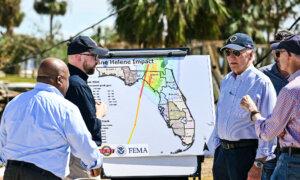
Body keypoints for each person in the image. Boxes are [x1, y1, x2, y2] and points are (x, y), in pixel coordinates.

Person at [0, 58, 103, 180]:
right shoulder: (65, 108)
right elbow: (81, 141)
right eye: (67, 79)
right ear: (59, 80)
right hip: (43, 175)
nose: (68, 84)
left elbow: (3, 140)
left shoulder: (15, 103)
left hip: (12, 172)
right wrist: (95, 163)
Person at [212, 33, 277, 180]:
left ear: (251, 54)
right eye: (227, 52)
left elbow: (269, 127)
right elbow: (220, 116)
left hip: (246, 155)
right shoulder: (227, 80)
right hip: (223, 154)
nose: (231, 57)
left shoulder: (262, 83)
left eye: (236, 52)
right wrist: (217, 149)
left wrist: (258, 164)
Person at [241, 35, 300, 180]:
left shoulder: (291, 89)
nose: (277, 57)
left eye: (279, 53)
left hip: (292, 164)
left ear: (290, 55)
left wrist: (253, 111)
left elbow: (268, 132)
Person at [65, 36, 108, 179]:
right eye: (94, 56)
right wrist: (99, 114)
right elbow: (90, 128)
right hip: (79, 159)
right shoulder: (78, 85)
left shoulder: (67, 80)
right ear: (79, 57)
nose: (98, 61)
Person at [259, 30, 293, 180]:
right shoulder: (262, 76)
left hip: (294, 150)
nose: (278, 55)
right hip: (269, 148)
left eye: (282, 51)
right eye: (275, 51)